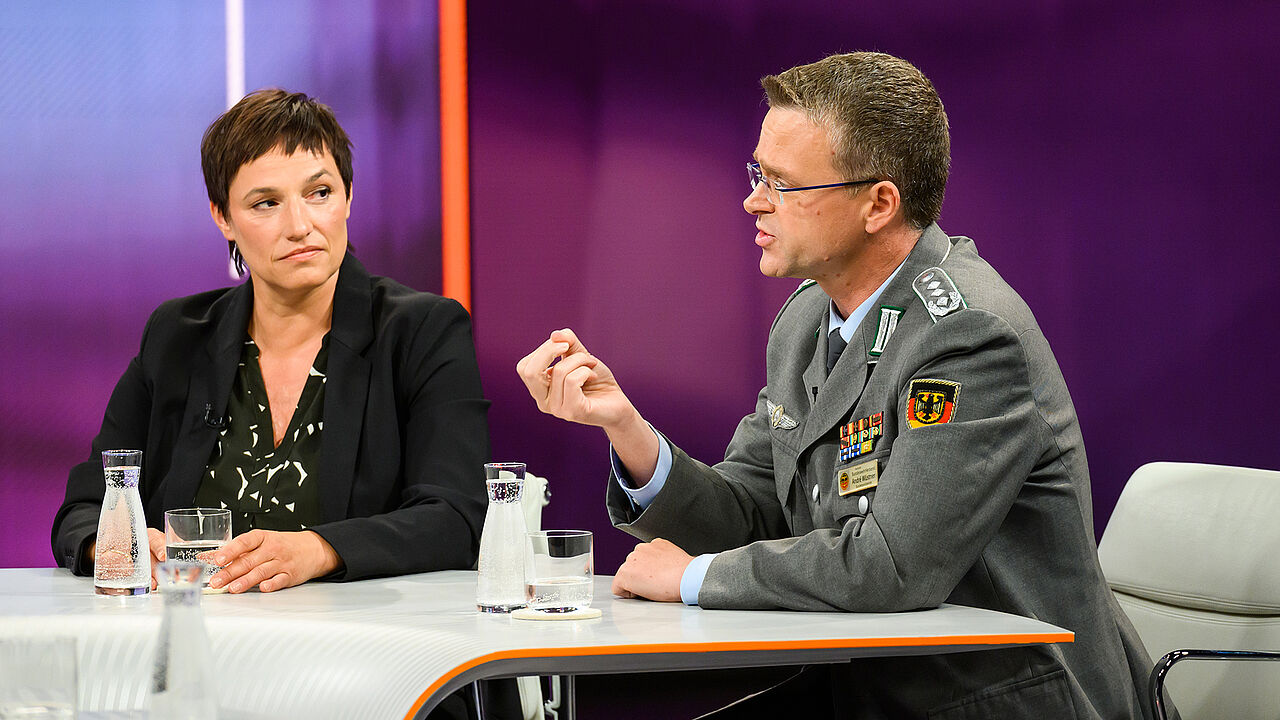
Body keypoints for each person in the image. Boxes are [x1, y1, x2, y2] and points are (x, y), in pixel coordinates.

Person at [517, 53, 1161, 718]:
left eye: (783, 184)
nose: (752, 200)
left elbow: (890, 566)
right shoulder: (806, 320)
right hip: (868, 680)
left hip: (993, 697)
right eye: (755, 173)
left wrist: (691, 579)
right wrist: (627, 431)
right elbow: (751, 514)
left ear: (878, 204)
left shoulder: (968, 336)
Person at [52, 89, 489, 594]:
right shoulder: (176, 337)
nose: (300, 226)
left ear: (348, 195)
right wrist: (115, 545)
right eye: (266, 204)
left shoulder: (422, 332)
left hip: (358, 657)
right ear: (223, 218)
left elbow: (457, 517)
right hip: (194, 642)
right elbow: (84, 508)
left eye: (320, 193)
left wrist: (320, 549)